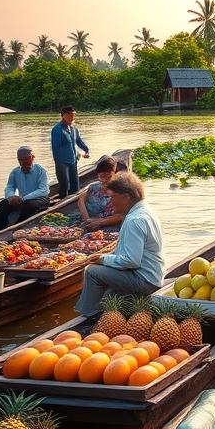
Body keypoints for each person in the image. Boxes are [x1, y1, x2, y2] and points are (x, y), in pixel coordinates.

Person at [74, 172, 163, 316]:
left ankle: (87, 316)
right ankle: (104, 308)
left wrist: (103, 259)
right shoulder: (145, 211)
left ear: (126, 197)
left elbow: (131, 261)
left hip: (145, 281)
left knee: (92, 271)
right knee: (107, 287)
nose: (110, 202)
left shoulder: (133, 220)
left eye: (112, 197)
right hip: (153, 275)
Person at [0, 146, 50, 230]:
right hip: (22, 200)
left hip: (40, 198)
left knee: (29, 206)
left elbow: (43, 190)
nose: (24, 162)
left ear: (32, 158)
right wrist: (11, 197)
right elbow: (9, 187)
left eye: (26, 159)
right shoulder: (15, 172)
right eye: (21, 160)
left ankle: (18, 228)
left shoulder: (41, 170)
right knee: (2, 205)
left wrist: (24, 198)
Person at [77, 155, 124, 231]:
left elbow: (121, 215)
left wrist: (99, 222)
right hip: (88, 224)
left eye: (109, 177)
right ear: (98, 175)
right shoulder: (93, 187)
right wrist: (87, 220)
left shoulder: (120, 191)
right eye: (102, 176)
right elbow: (81, 199)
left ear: (114, 174)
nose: (105, 180)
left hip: (108, 227)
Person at [51, 106, 89, 198]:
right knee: (64, 186)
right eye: (69, 116)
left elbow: (79, 141)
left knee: (75, 185)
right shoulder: (57, 129)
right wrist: (59, 162)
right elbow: (56, 148)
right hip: (62, 162)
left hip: (73, 161)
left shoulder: (73, 129)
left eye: (73, 116)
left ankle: (74, 202)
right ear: (63, 116)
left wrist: (86, 150)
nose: (72, 118)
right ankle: (61, 204)